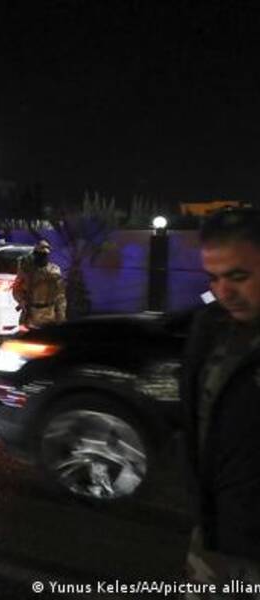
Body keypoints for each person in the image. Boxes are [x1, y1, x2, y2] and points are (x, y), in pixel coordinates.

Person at [182, 208, 260, 596]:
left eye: (239, 276)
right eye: (213, 278)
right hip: (216, 538)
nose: (224, 291)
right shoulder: (210, 326)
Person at [12, 239, 66, 329]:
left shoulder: (54, 271)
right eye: (39, 254)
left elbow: (60, 295)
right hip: (31, 314)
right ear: (35, 254)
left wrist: (60, 315)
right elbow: (16, 289)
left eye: (44, 255)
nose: (41, 257)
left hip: (49, 313)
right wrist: (22, 301)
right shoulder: (26, 271)